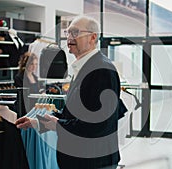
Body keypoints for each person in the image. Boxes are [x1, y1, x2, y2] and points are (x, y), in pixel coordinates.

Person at [15, 15, 123, 169]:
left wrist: (58, 125)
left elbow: (99, 124)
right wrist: (37, 122)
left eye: (75, 33)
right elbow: (73, 114)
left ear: (93, 37)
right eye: (68, 33)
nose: (70, 38)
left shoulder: (101, 70)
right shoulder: (85, 67)